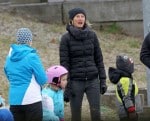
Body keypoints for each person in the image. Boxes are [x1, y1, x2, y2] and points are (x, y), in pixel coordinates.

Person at [59, 8, 107, 121]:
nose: (80, 19)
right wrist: (67, 86)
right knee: (76, 115)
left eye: (82, 16)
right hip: (75, 81)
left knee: (96, 114)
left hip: (93, 81)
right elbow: (64, 64)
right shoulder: (65, 39)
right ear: (71, 20)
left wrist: (103, 80)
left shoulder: (92, 35)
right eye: (77, 16)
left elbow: (99, 59)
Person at [4, 28, 47, 121]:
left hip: (14, 100)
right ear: (30, 41)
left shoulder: (9, 56)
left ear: (18, 40)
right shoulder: (31, 56)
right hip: (32, 100)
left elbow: (8, 74)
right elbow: (43, 79)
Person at [108, 55, 140, 121]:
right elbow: (127, 97)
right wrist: (132, 112)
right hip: (129, 114)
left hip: (126, 112)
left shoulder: (124, 78)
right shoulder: (125, 80)